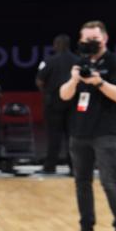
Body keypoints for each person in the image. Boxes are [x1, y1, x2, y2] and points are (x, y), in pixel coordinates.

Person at [58, 21, 116, 231]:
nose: (89, 44)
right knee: (82, 182)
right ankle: (86, 229)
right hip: (80, 132)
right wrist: (74, 79)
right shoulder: (80, 64)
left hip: (106, 133)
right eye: (85, 39)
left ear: (105, 39)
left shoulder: (115, 63)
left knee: (109, 182)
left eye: (94, 39)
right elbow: (64, 95)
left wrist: (99, 82)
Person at [36, 34, 78, 173]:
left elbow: (40, 81)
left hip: (54, 103)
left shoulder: (49, 61)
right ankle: (74, 167)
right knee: (73, 136)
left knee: (54, 136)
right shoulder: (78, 61)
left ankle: (50, 166)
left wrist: (46, 93)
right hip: (73, 103)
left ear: (56, 45)